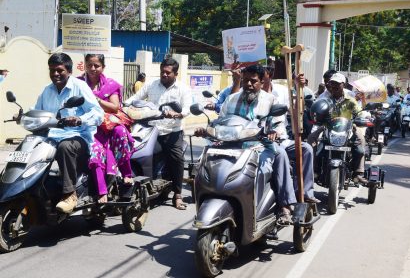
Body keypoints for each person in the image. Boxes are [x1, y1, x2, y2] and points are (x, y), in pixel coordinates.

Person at [196, 64, 298, 225]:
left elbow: (278, 123)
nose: (249, 84)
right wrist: (206, 129)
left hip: (260, 145)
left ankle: (285, 204)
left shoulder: (270, 100)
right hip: (230, 144)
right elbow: (219, 121)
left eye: (253, 81)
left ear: (262, 82)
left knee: (281, 155)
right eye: (245, 81)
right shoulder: (231, 99)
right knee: (207, 162)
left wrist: (274, 132)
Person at [34, 53, 103, 213]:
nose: (55, 74)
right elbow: (37, 110)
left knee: (65, 147)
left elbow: (98, 112)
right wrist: (23, 116)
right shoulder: (47, 90)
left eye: (59, 70)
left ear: (69, 71)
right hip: (52, 136)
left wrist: (80, 119)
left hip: (78, 137)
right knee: (30, 144)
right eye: (52, 70)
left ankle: (70, 194)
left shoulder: (80, 87)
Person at [126, 58, 192, 210]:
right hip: (151, 130)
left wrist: (178, 114)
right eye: (162, 71)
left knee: (176, 158)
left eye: (168, 72)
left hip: (172, 131)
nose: (164, 74)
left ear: (176, 73)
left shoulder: (183, 89)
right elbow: (135, 99)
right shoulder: (151, 85)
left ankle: (177, 195)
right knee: (137, 152)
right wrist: (124, 105)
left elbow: (187, 108)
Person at [78, 54, 134, 203]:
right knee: (95, 151)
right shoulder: (77, 83)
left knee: (121, 131)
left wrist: (96, 99)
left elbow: (115, 107)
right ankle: (102, 191)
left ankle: (127, 173)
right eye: (89, 65)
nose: (92, 68)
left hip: (108, 125)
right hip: (88, 127)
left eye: (96, 65)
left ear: (103, 67)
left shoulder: (110, 85)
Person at [263, 66, 320, 203]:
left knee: (306, 149)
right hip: (262, 141)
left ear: (269, 77)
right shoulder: (253, 96)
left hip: (282, 138)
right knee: (280, 153)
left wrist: (298, 88)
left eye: (261, 77)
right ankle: (287, 202)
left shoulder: (282, 91)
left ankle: (306, 192)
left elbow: (295, 111)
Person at [308, 73, 368, 184]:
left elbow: (359, 112)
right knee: (312, 140)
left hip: (348, 128)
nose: (334, 86)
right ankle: (314, 171)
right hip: (327, 127)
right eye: (332, 83)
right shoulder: (324, 99)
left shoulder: (350, 99)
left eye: (337, 84)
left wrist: (362, 118)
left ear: (343, 85)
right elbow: (316, 111)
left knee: (361, 145)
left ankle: (358, 173)